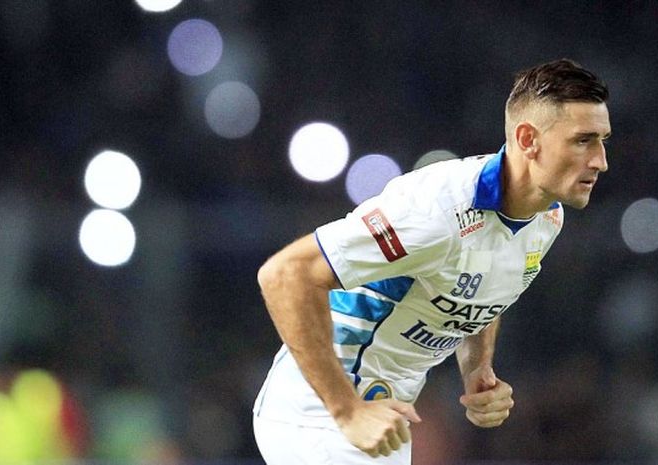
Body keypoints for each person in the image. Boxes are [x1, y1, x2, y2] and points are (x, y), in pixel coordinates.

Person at [253, 58, 611, 464]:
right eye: (583, 140)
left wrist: (477, 368)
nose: (600, 160)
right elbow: (285, 274)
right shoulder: (435, 210)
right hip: (318, 414)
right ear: (528, 139)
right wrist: (346, 410)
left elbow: (485, 280)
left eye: (602, 140)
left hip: (383, 419)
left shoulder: (546, 217)